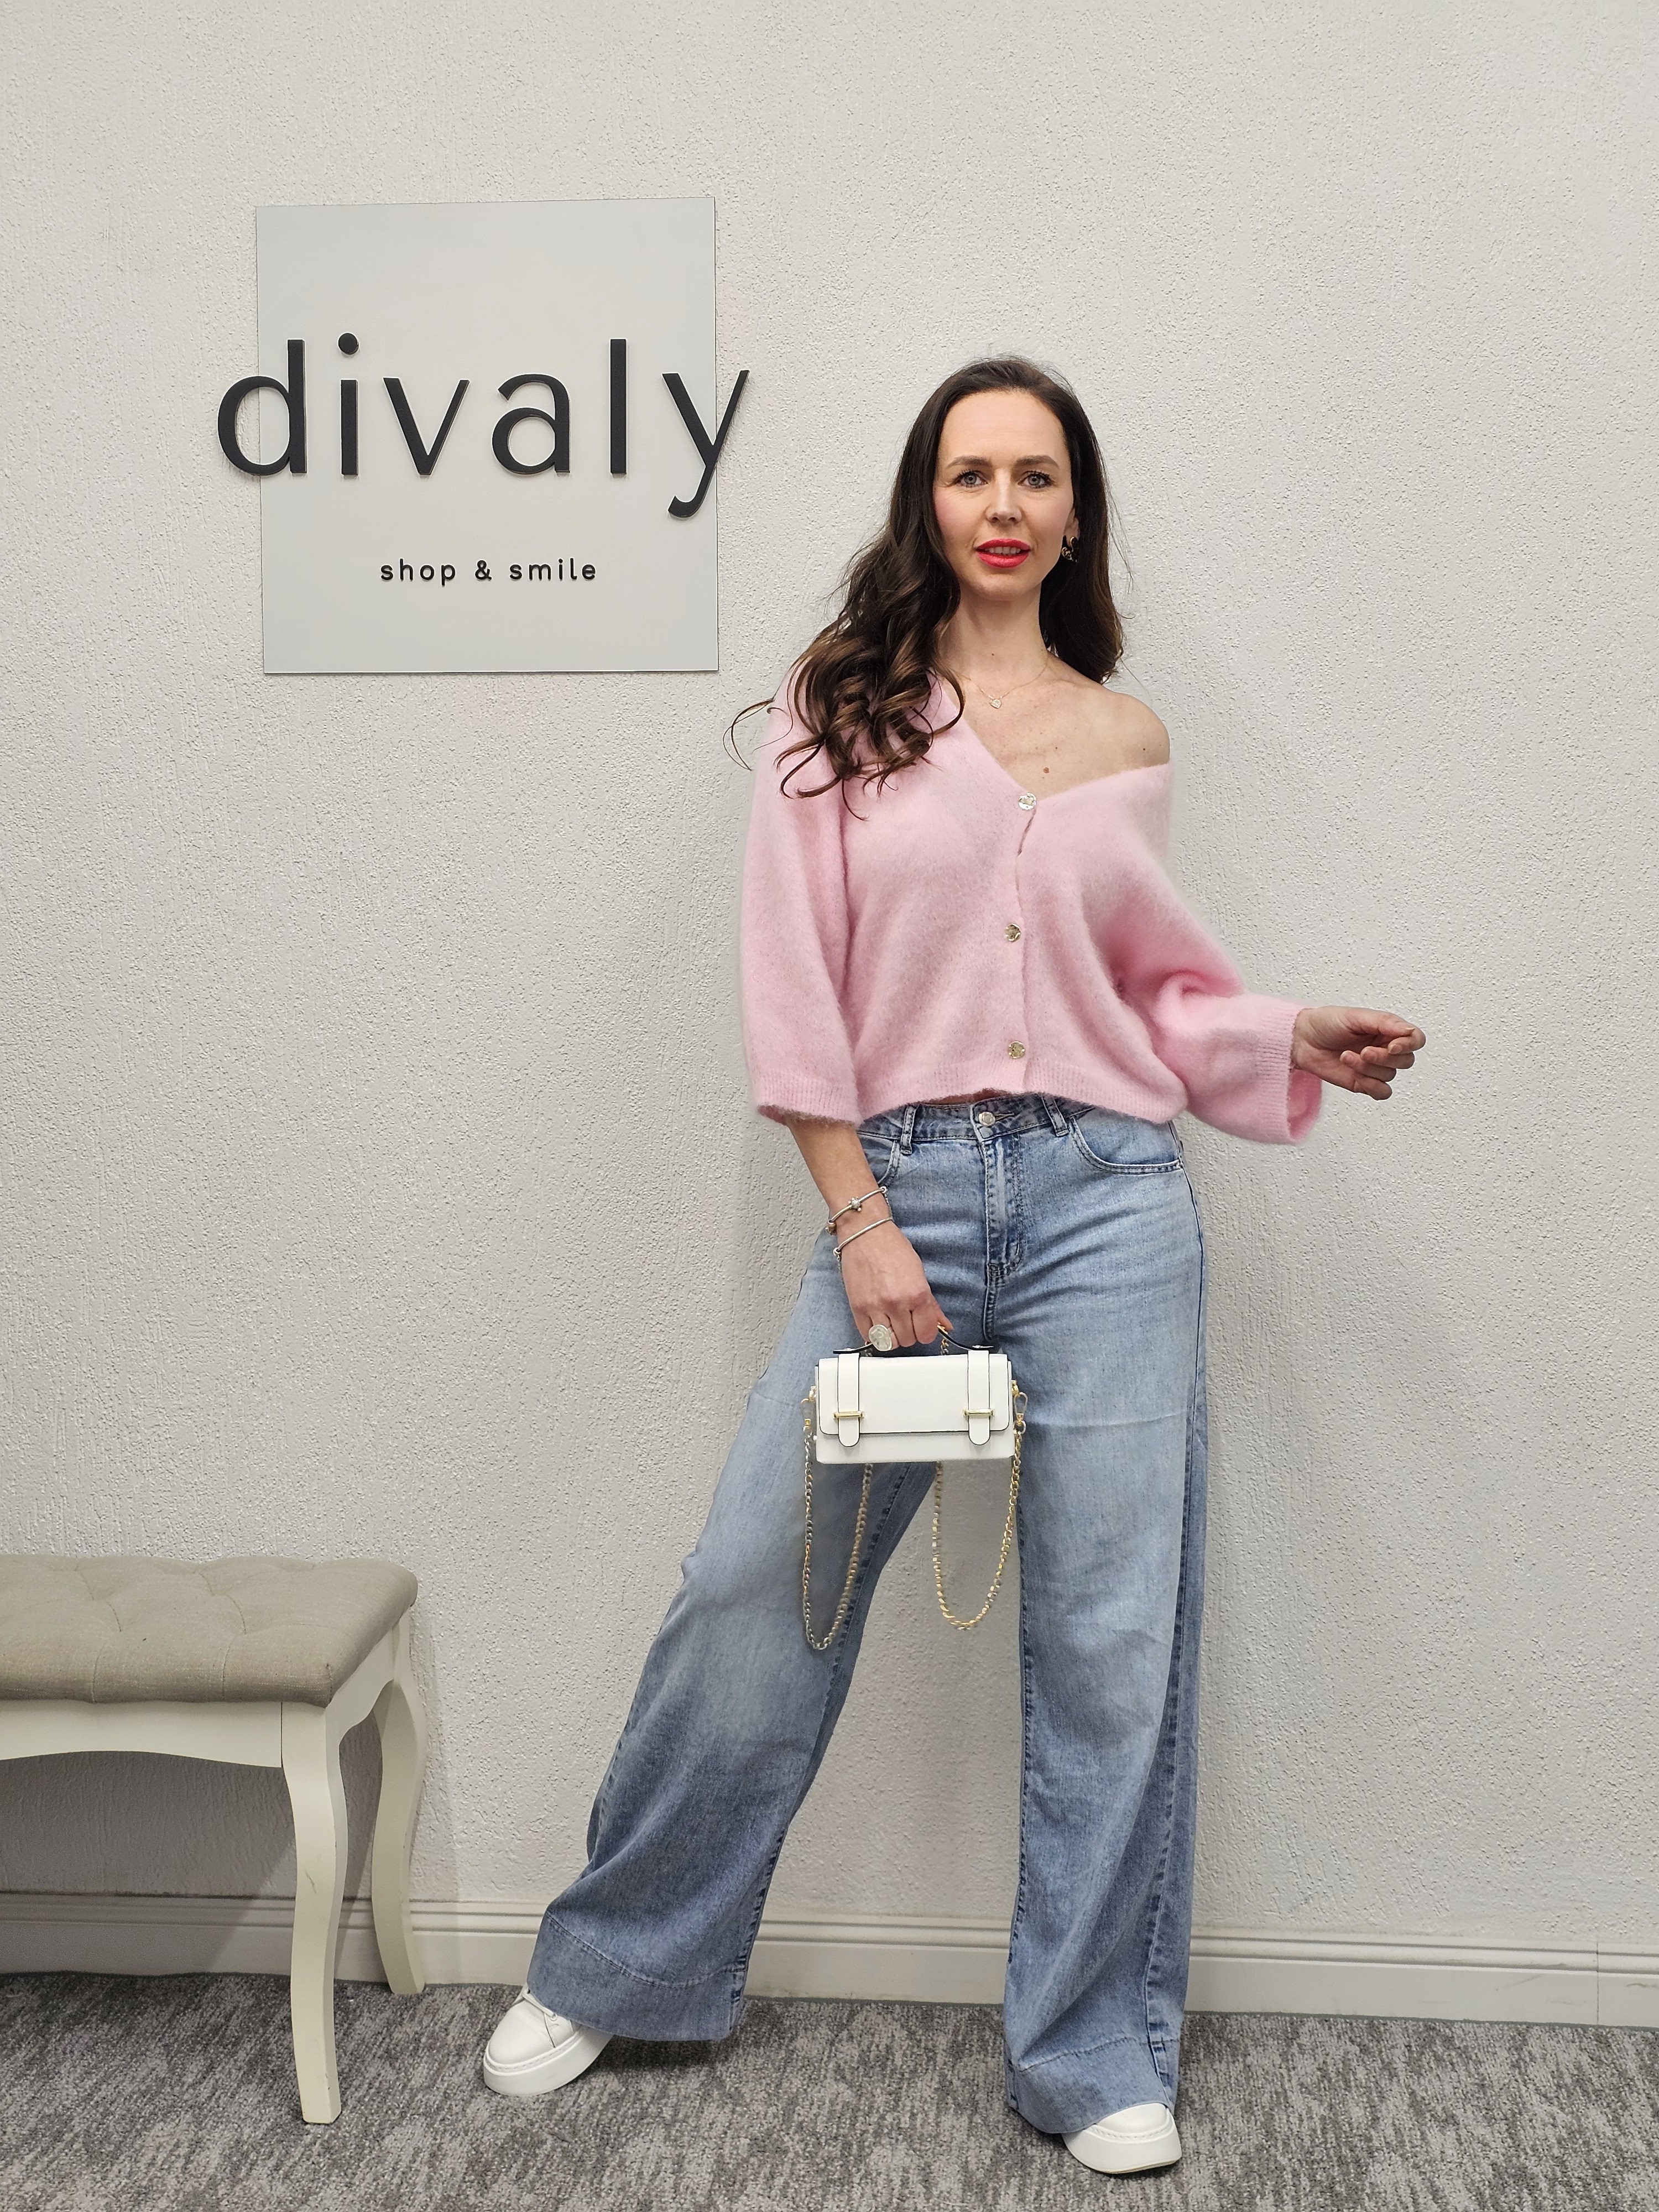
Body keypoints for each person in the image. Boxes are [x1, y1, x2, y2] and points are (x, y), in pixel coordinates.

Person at [481, 356, 1425, 2176]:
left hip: (1110, 1203)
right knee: (760, 1583)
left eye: (1037, 475)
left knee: (1111, 1638)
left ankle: (1091, 2050)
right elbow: (793, 990)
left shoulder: (1128, 737)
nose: (1003, 503)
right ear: (929, 500)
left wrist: (1283, 1034)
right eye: (971, 471)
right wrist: (863, 1223)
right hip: (898, 1186)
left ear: (1075, 515)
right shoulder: (840, 711)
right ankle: (621, 1958)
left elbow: (1151, 996)